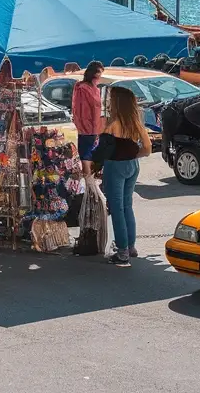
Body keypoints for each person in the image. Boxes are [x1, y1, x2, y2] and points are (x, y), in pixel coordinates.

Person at [96, 86, 151, 267]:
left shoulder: (112, 124)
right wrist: (134, 155)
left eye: (112, 99)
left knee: (117, 208)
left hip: (115, 166)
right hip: (133, 165)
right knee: (127, 206)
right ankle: (131, 246)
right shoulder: (136, 122)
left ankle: (122, 252)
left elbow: (101, 150)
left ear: (117, 103)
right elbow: (148, 149)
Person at [71, 61, 104, 177]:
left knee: (89, 153)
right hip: (87, 127)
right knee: (87, 154)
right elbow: (82, 109)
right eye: (99, 72)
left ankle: (89, 178)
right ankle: (88, 179)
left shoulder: (92, 88)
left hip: (91, 127)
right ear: (94, 73)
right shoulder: (83, 88)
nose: (101, 75)